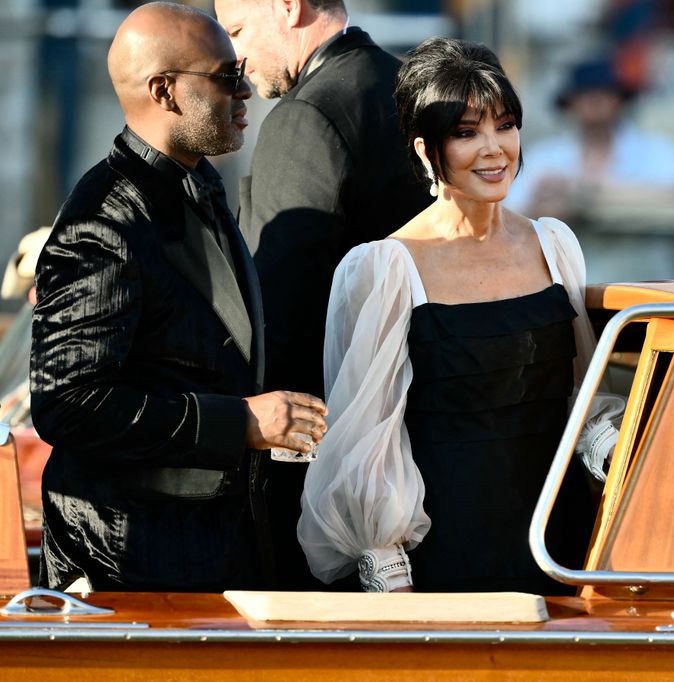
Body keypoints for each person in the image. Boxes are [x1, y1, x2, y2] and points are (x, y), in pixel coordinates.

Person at [298, 38, 624, 594]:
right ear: (427, 151)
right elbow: (364, 444)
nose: (495, 150)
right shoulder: (385, 267)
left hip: (562, 546)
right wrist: (394, 592)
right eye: (467, 133)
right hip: (446, 558)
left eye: (506, 125)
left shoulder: (553, 244)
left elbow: (584, 399)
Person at [29, 2, 328, 592]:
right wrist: (238, 420)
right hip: (130, 564)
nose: (244, 89)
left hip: (214, 549)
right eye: (224, 76)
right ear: (164, 90)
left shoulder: (196, 183)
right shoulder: (104, 219)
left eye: (239, 70)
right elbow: (67, 403)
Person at [214, 0, 430, 586]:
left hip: (328, 459)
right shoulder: (413, 88)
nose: (233, 55)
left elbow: (276, 305)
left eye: (236, 29)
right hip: (431, 431)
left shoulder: (306, 115)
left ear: (289, 6)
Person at [502, 56, 674, 219]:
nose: (595, 101)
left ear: (620, 100)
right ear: (570, 103)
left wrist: (583, 192)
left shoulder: (657, 150)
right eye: (585, 95)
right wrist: (541, 206)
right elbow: (510, 212)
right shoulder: (544, 156)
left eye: (605, 93)